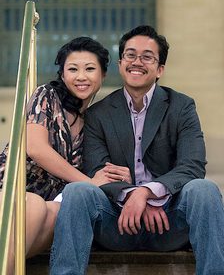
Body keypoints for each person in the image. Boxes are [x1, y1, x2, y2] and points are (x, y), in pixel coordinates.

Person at [50, 25, 224, 275]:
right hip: (116, 221)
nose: (137, 62)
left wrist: (147, 194)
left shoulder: (182, 106)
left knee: (204, 189)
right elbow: (97, 169)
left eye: (147, 57)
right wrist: (130, 196)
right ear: (121, 63)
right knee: (78, 191)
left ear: (160, 69)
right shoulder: (99, 114)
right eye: (130, 55)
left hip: (169, 219)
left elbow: (192, 165)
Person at [0, 36, 131, 274]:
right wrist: (90, 183)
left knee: (63, 212)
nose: (81, 76)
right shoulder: (47, 96)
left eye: (90, 69)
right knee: (34, 205)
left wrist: (122, 173)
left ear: (102, 75)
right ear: (62, 74)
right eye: (72, 69)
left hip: (48, 207)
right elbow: (36, 148)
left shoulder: (94, 122)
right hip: (10, 194)